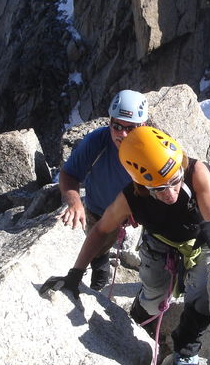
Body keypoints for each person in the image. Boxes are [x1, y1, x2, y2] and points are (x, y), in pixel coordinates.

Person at [42, 126, 210, 365]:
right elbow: (100, 230)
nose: (171, 193)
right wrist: (75, 273)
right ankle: (141, 315)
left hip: (200, 238)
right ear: (143, 186)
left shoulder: (195, 171)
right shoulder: (131, 197)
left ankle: (187, 340)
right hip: (159, 243)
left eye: (175, 181)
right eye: (159, 189)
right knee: (153, 298)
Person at [57, 90, 148, 290]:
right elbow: (69, 174)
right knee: (99, 250)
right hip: (98, 209)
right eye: (117, 126)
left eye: (130, 128)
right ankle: (99, 282)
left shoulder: (152, 149)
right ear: (110, 122)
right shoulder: (97, 141)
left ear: (142, 126)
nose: (122, 134)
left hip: (134, 212)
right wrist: (75, 202)